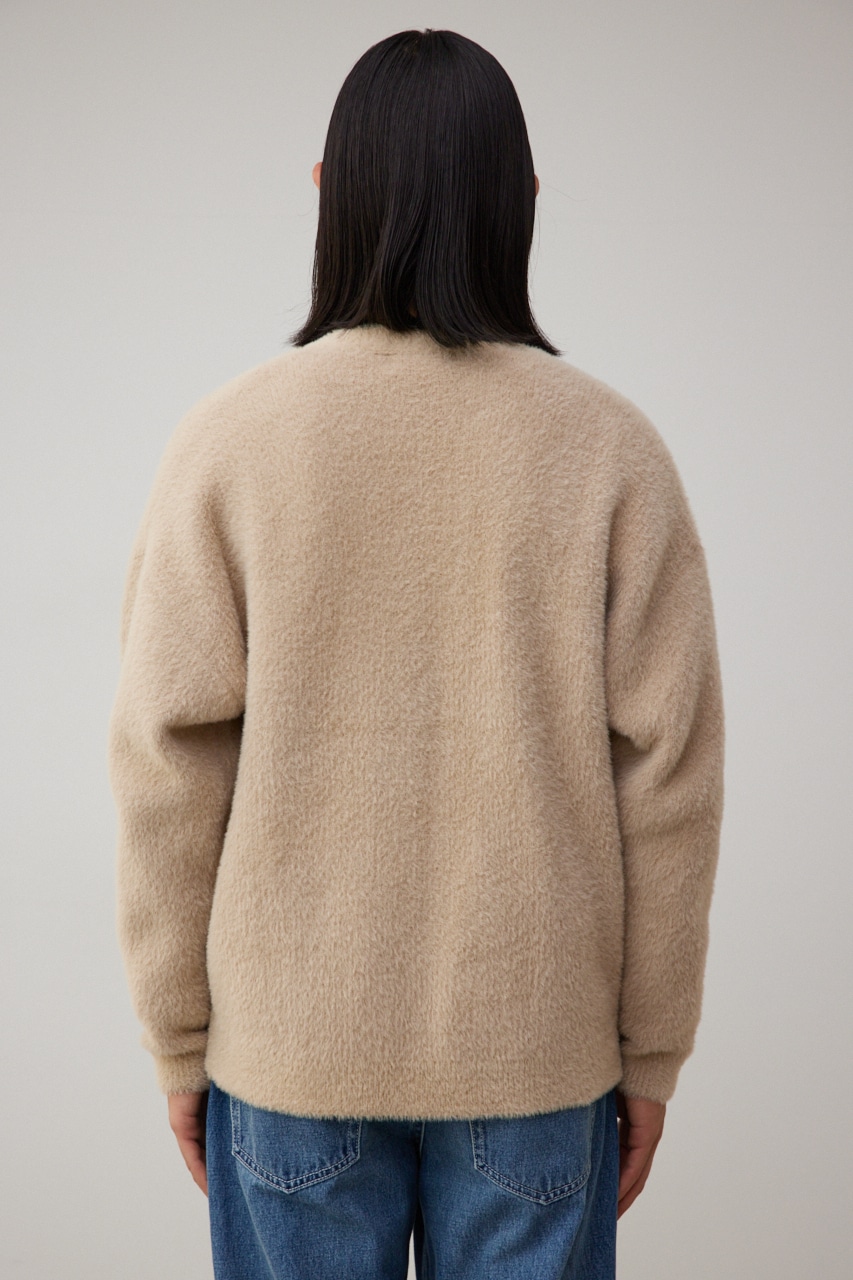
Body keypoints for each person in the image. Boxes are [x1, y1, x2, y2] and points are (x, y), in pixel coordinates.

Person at [107, 28, 724, 1280]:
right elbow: (672, 780)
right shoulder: (611, 450)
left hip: (289, 1055)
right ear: (523, 201)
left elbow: (164, 763)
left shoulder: (230, 441)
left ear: (325, 192)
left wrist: (179, 1034)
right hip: (536, 1060)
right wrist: (651, 1049)